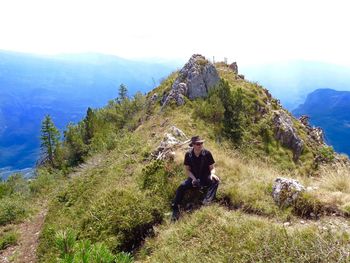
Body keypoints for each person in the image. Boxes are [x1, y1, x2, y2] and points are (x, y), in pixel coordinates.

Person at [171, 136, 220, 221]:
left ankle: (206, 202)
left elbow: (212, 167)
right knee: (181, 186)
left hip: (205, 177)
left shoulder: (207, 153)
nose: (200, 145)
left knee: (216, 181)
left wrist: (212, 174)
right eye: (198, 144)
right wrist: (193, 179)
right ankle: (175, 208)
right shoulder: (188, 155)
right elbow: (187, 170)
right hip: (194, 178)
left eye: (201, 143)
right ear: (193, 145)